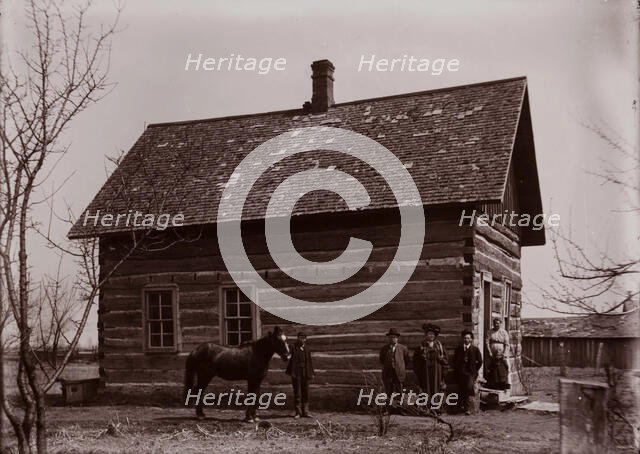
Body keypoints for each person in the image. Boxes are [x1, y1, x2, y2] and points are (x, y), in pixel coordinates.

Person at [379, 328, 411, 409]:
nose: (392, 339)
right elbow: (382, 360)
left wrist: (400, 367)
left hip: (399, 373)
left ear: (397, 338)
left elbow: (407, 360)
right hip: (388, 373)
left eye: (394, 337)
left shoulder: (403, 348)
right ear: (388, 338)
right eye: (391, 337)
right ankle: (388, 409)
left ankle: (400, 408)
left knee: (399, 391)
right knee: (388, 390)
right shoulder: (384, 349)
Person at [413, 323, 448, 397]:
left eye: (433, 334)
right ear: (426, 335)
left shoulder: (439, 346)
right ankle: (427, 407)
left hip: (437, 373)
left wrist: (440, 359)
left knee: (437, 389)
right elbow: (415, 361)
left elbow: (445, 360)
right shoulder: (421, 346)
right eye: (429, 334)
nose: (431, 336)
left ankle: (436, 407)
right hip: (425, 373)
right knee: (426, 389)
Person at [285, 332, 315, 419]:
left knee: (305, 392)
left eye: (304, 338)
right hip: (296, 373)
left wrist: (311, 373)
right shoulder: (293, 347)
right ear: (298, 338)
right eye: (300, 337)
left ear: (306, 339)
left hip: (305, 372)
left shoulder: (307, 348)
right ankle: (298, 412)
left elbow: (309, 361)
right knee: (297, 393)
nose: (302, 339)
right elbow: (288, 353)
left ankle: (306, 412)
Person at [453, 330, 483, 415]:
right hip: (461, 373)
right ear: (463, 339)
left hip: (470, 373)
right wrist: (458, 369)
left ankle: (469, 409)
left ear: (471, 339)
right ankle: (463, 408)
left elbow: (480, 361)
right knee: (461, 389)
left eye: (468, 338)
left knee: (469, 388)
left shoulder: (475, 349)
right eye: (465, 338)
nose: (466, 339)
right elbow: (455, 361)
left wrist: (474, 370)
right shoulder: (458, 349)